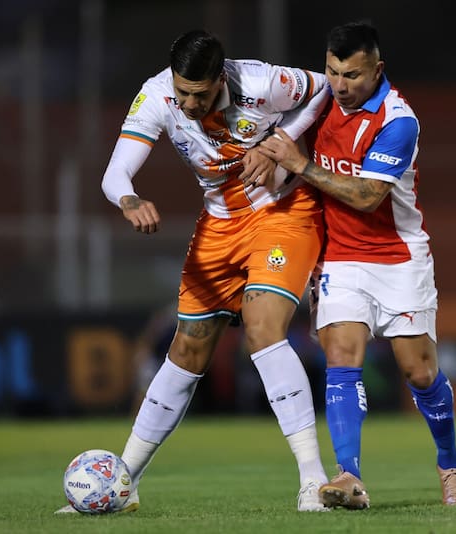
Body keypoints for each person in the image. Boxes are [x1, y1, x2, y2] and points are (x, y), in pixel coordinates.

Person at [57, 29, 331, 513]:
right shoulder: (159, 94)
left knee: (262, 330)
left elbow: (323, 88)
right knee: (186, 348)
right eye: (182, 92)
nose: (187, 104)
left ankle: (313, 480)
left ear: (220, 79)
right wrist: (130, 198)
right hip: (220, 223)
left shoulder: (261, 82)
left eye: (199, 95)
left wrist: (277, 145)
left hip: (283, 212)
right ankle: (125, 483)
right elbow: (115, 172)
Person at [259, 22, 456, 508]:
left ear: (378, 70)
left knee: (419, 373)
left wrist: (300, 165)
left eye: (352, 75)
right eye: (333, 72)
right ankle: (348, 476)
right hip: (341, 257)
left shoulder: (398, 121)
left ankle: (450, 463)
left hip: (398, 257)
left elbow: (367, 194)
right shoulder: (320, 104)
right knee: (341, 357)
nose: (340, 85)